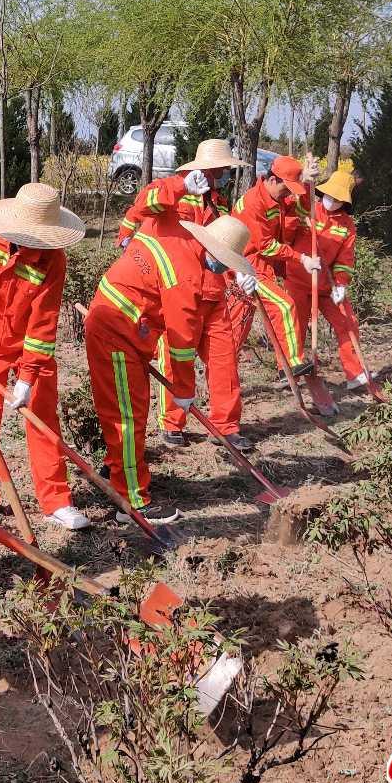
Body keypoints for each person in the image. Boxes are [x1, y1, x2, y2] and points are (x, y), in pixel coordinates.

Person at [112, 139, 250, 453]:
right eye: (223, 168)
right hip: (176, 291)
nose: (226, 174)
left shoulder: (219, 204)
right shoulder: (173, 192)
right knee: (176, 355)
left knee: (224, 361)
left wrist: (239, 272)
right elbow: (142, 204)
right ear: (210, 168)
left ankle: (226, 426)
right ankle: (173, 423)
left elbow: (221, 248)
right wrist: (181, 186)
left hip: (213, 292)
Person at [83, 213, 223, 521]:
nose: (222, 271)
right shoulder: (186, 276)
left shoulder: (169, 229)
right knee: (127, 418)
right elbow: (181, 341)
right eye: (224, 263)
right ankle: (132, 501)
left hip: (125, 327)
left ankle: (116, 468)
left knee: (128, 410)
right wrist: (183, 390)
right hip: (117, 333)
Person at [0, 182, 89, 529]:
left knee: (43, 418)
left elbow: (44, 320)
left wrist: (27, 377)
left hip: (29, 350)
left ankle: (56, 501)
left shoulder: (53, 259)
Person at [226, 154, 321, 382]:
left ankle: (222, 375)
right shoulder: (253, 203)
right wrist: (302, 259)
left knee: (237, 329)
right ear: (272, 180)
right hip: (246, 269)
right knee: (284, 306)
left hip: (261, 267)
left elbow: (304, 210)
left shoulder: (278, 198)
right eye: (286, 188)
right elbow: (265, 246)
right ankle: (289, 365)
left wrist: (307, 184)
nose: (288, 194)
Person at [283, 169, 369, 388]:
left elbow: (345, 258)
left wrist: (341, 284)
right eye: (330, 195)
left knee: (347, 322)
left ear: (345, 201)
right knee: (295, 325)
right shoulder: (309, 210)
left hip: (326, 285)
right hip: (298, 280)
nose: (332, 201)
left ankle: (355, 374)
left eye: (338, 198)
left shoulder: (347, 226)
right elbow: (287, 225)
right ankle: (289, 372)